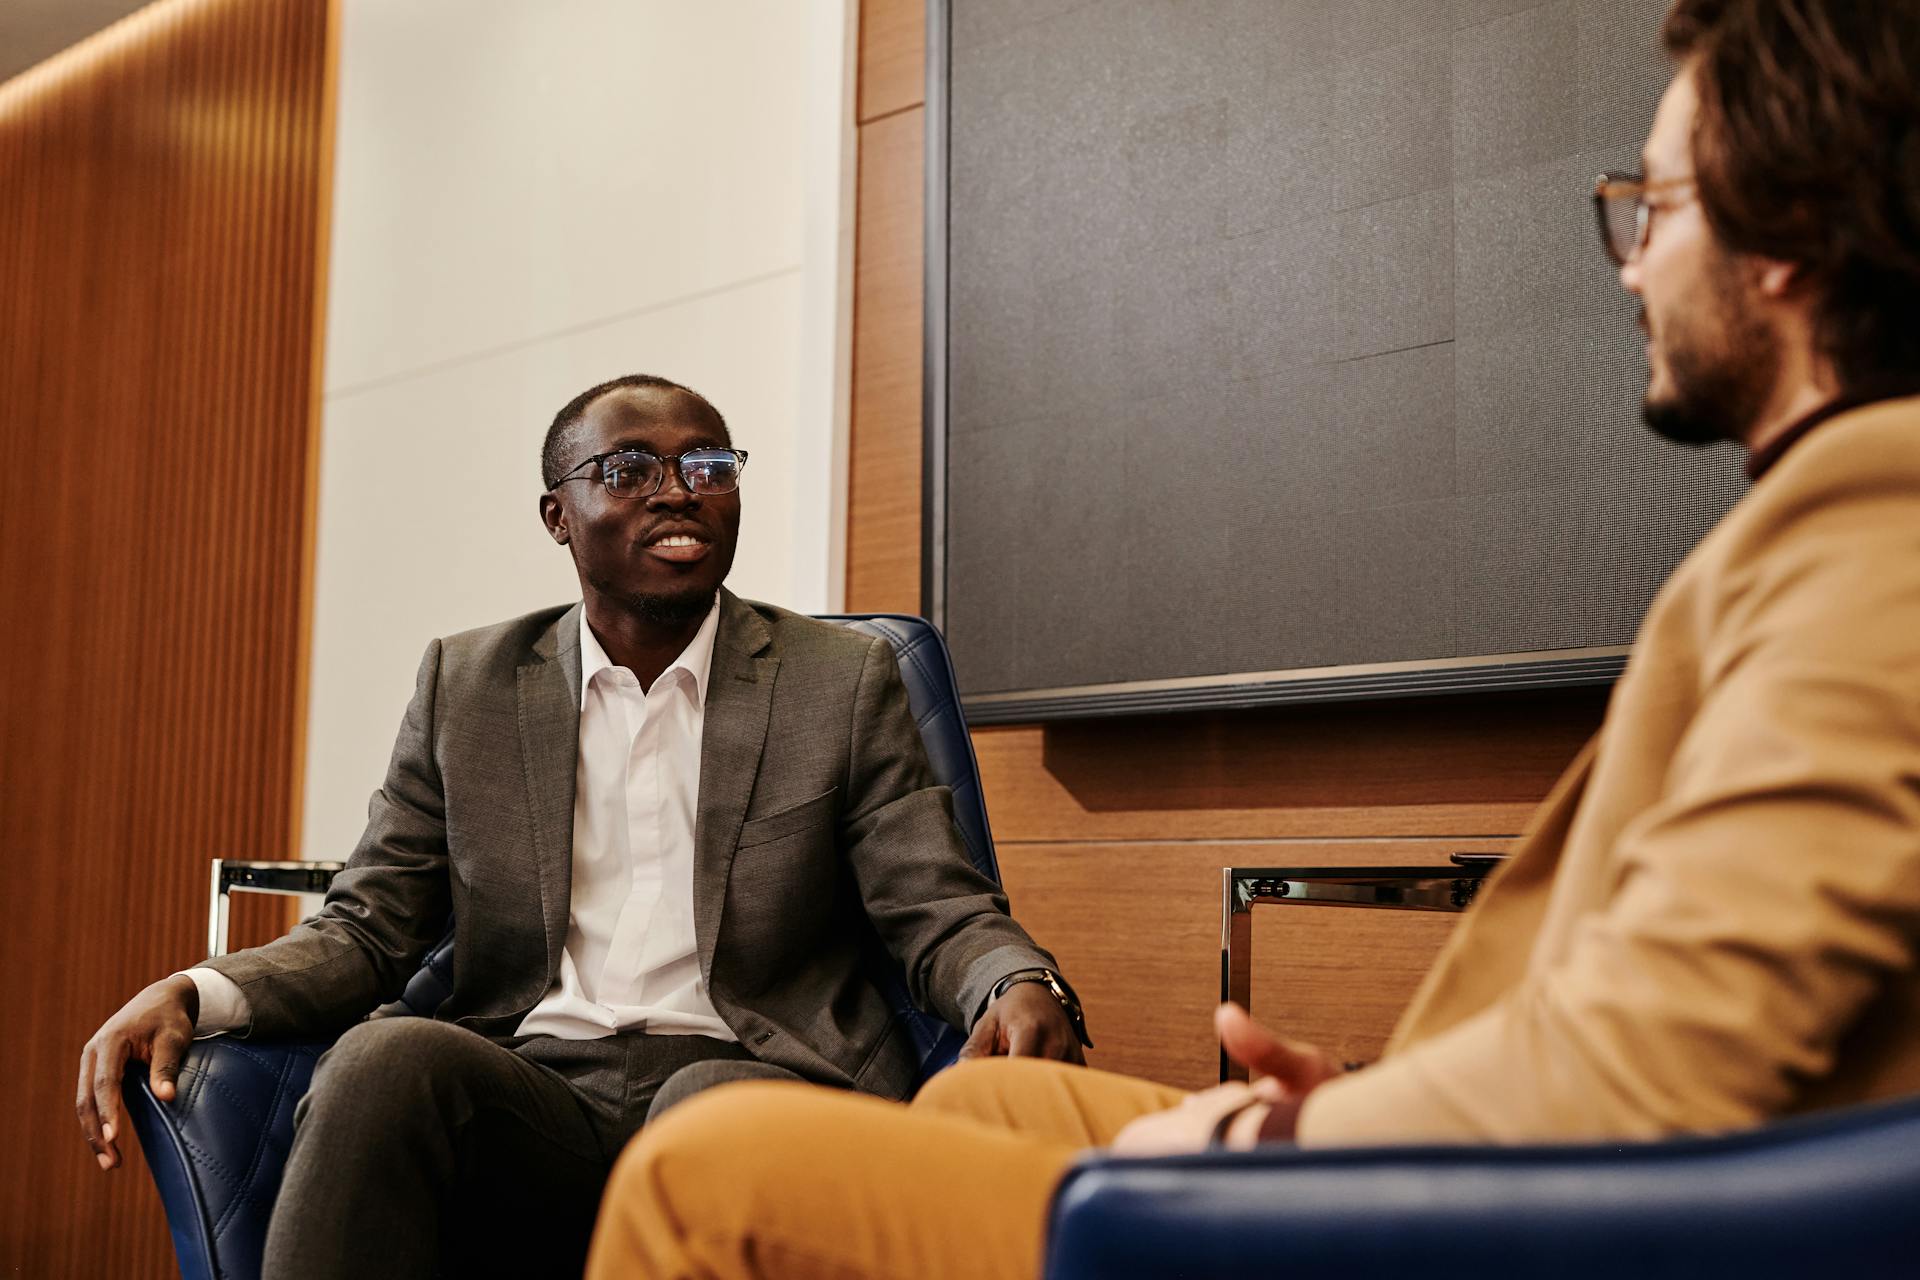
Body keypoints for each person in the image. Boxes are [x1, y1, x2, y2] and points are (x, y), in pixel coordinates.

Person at [582, 2, 1920, 1276]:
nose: (1632, 258)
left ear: (1786, 233)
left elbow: (1672, 1055)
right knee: (995, 1116)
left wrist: (1282, 1138)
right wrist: (1360, 1103)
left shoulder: (1878, 521)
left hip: (1537, 1224)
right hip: (1513, 1151)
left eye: (1659, 205)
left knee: (704, 1175)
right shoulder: (1831, 517)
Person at [74, 374, 1087, 1278]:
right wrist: (199, 992)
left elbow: (935, 903)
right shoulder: (466, 684)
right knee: (383, 1066)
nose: (680, 488)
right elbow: (369, 928)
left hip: (757, 1070)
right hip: (532, 1088)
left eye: (707, 463)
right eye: (630, 466)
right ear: (559, 513)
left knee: (710, 1117)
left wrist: (1016, 978)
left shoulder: (839, 679)